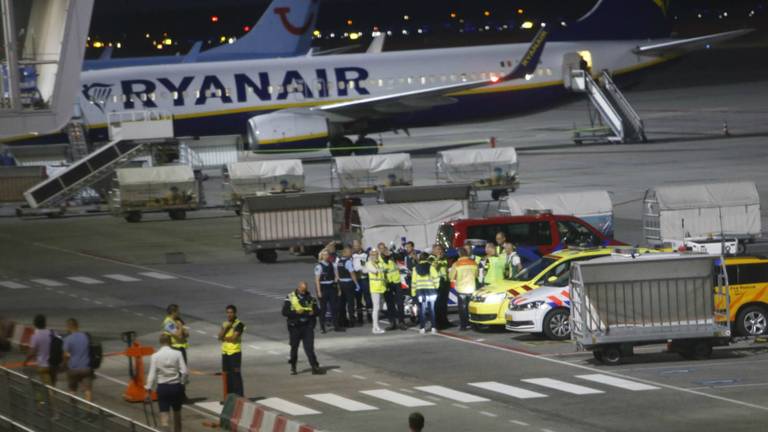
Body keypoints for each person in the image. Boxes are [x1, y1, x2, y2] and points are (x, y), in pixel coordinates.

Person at [145, 334, 188, 432]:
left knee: (164, 416)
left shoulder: (155, 356)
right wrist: (182, 383)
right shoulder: (178, 354)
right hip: (176, 386)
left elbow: (151, 375)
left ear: (160, 342)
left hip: (163, 388)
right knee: (177, 415)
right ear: (171, 341)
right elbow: (184, 372)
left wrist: (148, 390)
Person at [282, 281, 323, 375]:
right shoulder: (290, 298)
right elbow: (284, 312)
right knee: (294, 347)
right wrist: (296, 313)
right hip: (295, 327)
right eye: (302, 290)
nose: (303, 292)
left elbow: (318, 310)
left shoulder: (311, 298)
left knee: (309, 348)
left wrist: (314, 312)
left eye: (305, 290)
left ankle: (314, 366)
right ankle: (293, 366)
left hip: (307, 326)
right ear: (299, 288)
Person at [25, 314, 59, 387]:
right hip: (54, 364)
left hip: (43, 365)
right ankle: (52, 397)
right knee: (53, 386)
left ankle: (50, 397)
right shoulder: (53, 333)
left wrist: (26, 362)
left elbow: (32, 352)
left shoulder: (35, 336)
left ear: (35, 324)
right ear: (45, 323)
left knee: (47, 387)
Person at [62, 318, 93, 402]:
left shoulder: (68, 339)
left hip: (73, 368)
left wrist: (65, 365)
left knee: (72, 389)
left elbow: (65, 355)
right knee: (87, 390)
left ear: (68, 327)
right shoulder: (85, 336)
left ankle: (73, 409)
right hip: (86, 368)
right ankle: (88, 411)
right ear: (77, 326)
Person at [218, 305, 245, 397]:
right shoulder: (224, 323)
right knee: (226, 376)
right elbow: (219, 337)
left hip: (235, 353)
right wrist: (226, 328)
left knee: (236, 375)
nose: (229, 314)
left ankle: (239, 395)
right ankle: (228, 396)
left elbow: (234, 338)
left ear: (235, 313)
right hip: (225, 353)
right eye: (228, 312)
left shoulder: (239, 324)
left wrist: (224, 337)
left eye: (231, 312)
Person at [449, 248, 478, 331]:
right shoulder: (473, 263)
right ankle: (473, 324)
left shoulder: (456, 264)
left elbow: (451, 277)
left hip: (461, 289)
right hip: (471, 288)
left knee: (462, 308)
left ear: (459, 254)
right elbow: (476, 275)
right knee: (471, 308)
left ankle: (463, 325)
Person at [411, 253, 439, 334]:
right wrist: (436, 287)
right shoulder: (431, 267)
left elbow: (413, 282)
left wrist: (413, 293)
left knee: (422, 310)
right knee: (432, 309)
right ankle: (433, 327)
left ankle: (422, 328)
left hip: (421, 291)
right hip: (431, 290)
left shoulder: (415, 268)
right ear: (427, 259)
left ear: (420, 259)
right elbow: (436, 278)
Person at [314, 249, 341, 333]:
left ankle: (336, 326)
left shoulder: (333, 265)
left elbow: (337, 276)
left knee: (334, 308)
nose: (326, 256)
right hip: (323, 287)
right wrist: (319, 292)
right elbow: (317, 280)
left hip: (332, 287)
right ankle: (322, 327)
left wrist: (338, 288)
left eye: (327, 254)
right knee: (323, 309)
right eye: (324, 255)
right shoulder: (319, 266)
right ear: (321, 256)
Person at [381, 249, 405, 331]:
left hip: (396, 281)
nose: (383, 250)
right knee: (389, 304)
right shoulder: (379, 259)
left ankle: (401, 322)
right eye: (381, 248)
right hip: (387, 283)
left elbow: (401, 257)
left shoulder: (392, 256)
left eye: (384, 248)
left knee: (400, 302)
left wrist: (392, 253)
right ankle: (392, 323)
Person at [335, 246, 359, 328]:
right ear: (345, 253)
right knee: (350, 303)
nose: (350, 253)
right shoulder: (348, 262)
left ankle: (343, 320)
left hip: (341, 283)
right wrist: (356, 284)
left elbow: (337, 273)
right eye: (349, 252)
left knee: (342, 303)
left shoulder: (339, 262)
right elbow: (352, 274)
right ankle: (352, 321)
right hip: (348, 283)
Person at [429, 244, 452, 329]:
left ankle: (445, 321)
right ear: (433, 250)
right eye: (438, 249)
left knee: (444, 304)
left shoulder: (444, 258)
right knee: (437, 305)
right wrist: (438, 258)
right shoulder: (431, 258)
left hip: (444, 282)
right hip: (437, 284)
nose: (440, 251)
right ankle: (437, 323)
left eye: (441, 249)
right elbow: (433, 267)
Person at [366, 249, 387, 334]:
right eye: (373, 254)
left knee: (379, 308)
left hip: (380, 287)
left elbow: (385, 267)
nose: (375, 256)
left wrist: (379, 258)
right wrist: (377, 265)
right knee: (376, 308)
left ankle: (376, 327)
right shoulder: (368, 263)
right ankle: (375, 328)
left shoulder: (378, 263)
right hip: (374, 288)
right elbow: (375, 271)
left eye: (376, 254)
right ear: (370, 255)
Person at [351, 240, 373, 324]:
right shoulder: (352, 255)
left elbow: (365, 266)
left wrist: (363, 270)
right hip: (356, 280)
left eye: (357, 245)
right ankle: (360, 318)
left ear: (360, 245)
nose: (355, 247)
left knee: (367, 298)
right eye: (354, 246)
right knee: (358, 298)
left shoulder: (365, 255)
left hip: (364, 279)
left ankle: (369, 316)